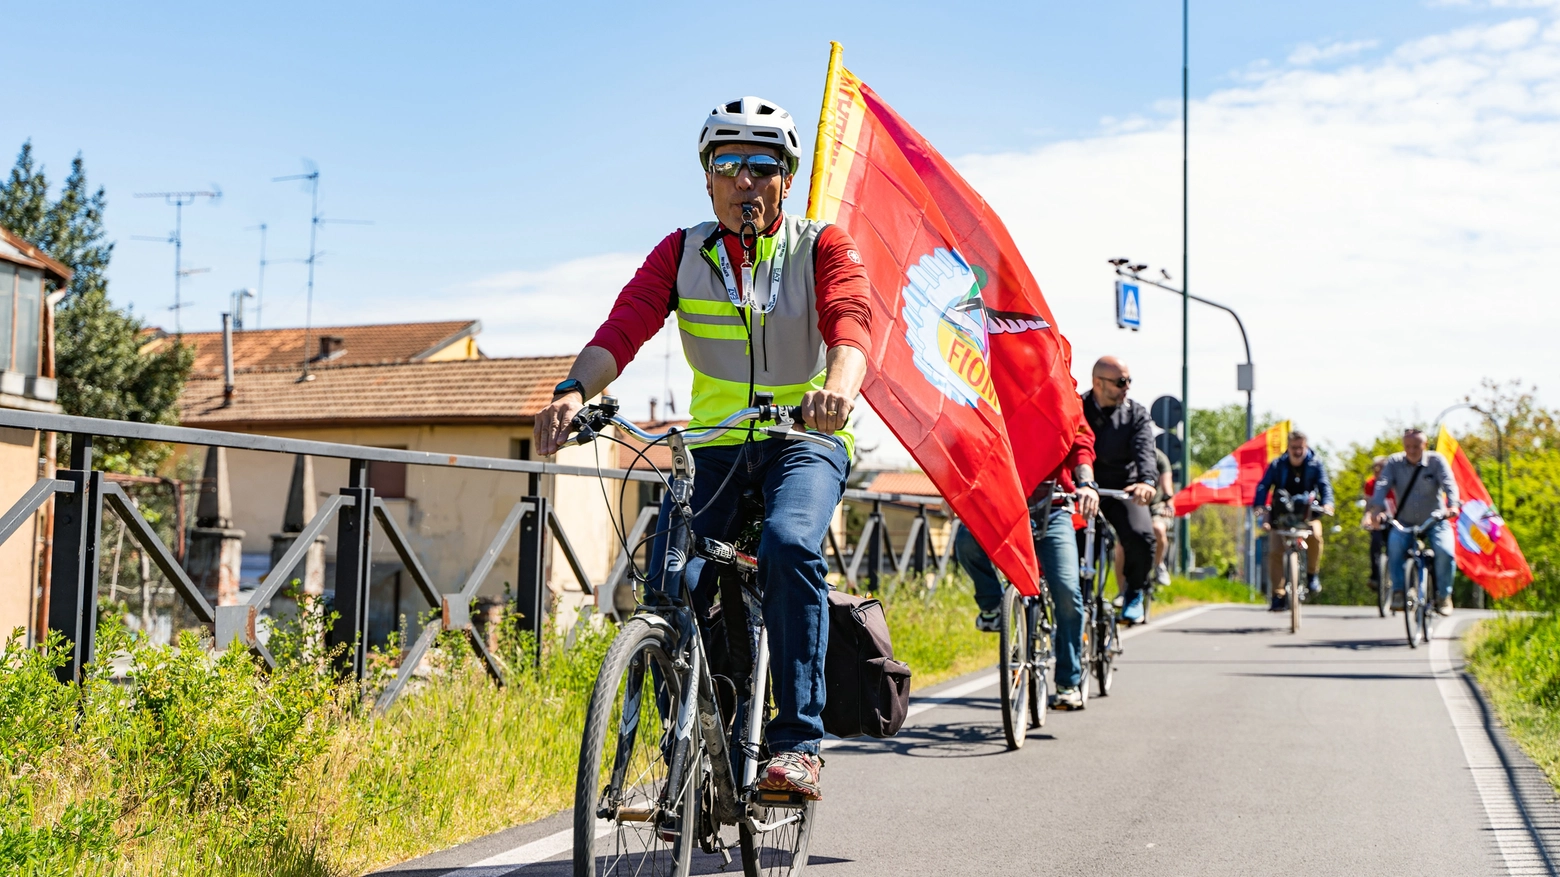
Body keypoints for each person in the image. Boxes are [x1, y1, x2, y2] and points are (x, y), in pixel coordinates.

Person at [533, 97, 871, 801]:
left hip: (802, 441)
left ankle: (797, 743)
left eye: (760, 165)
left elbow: (851, 321)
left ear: (785, 176)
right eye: (727, 164)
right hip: (714, 447)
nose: (743, 181)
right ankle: (697, 742)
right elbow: (625, 324)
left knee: (787, 544)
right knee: (670, 574)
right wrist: (573, 389)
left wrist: (836, 387)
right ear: (707, 177)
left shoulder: (822, 246)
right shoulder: (682, 251)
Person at [954, 420, 1099, 710]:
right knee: (967, 540)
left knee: (1068, 592)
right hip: (1001, 499)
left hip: (1054, 507)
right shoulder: (992, 383)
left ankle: (1068, 682)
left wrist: (1085, 484)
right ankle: (993, 606)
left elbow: (1080, 440)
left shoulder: (1057, 388)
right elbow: (965, 435)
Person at [1080, 356, 1158, 625]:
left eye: (1129, 381)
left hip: (1124, 489)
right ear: (1097, 383)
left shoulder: (1135, 413)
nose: (1127, 387)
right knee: (1072, 547)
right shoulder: (1076, 408)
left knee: (1140, 536)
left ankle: (1134, 591)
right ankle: (1075, 603)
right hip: (1083, 490)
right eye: (1121, 382)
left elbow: (1146, 450)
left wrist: (1146, 481)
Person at [1366, 428, 1460, 615]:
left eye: (1416, 446)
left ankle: (1443, 597)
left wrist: (1453, 505)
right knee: (1393, 547)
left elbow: (1449, 483)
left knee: (1446, 553)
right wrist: (1376, 509)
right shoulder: (1394, 462)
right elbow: (1382, 484)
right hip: (1405, 521)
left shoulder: (1436, 461)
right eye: (1408, 446)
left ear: (1424, 445)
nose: (1412, 450)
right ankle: (1399, 592)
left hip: (1435, 520)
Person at [1252, 430, 1335, 611]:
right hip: (1281, 515)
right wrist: (1259, 505)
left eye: (1301, 447)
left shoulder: (1315, 463)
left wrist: (1328, 504)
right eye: (1294, 447)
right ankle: (1278, 594)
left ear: (1306, 446)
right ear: (1288, 447)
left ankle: (1312, 574)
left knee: (1316, 535)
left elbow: (1324, 485)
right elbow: (1263, 486)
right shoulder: (1277, 465)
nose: (1297, 451)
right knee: (1275, 550)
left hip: (1307, 514)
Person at [1114, 447, 1174, 591]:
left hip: (1155, 508)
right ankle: (1122, 592)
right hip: (1132, 504)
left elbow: (1167, 487)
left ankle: (1159, 564)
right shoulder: (1124, 454)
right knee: (1121, 546)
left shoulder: (1160, 458)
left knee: (1158, 529)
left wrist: (1169, 504)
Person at [1363, 455, 1393, 596]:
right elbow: (1369, 506)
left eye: (1382, 468)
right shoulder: (1370, 484)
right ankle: (1376, 576)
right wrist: (1367, 518)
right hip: (1378, 522)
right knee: (1375, 544)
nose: (1379, 471)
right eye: (1376, 468)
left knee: (1396, 548)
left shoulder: (1395, 484)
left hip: (1394, 520)